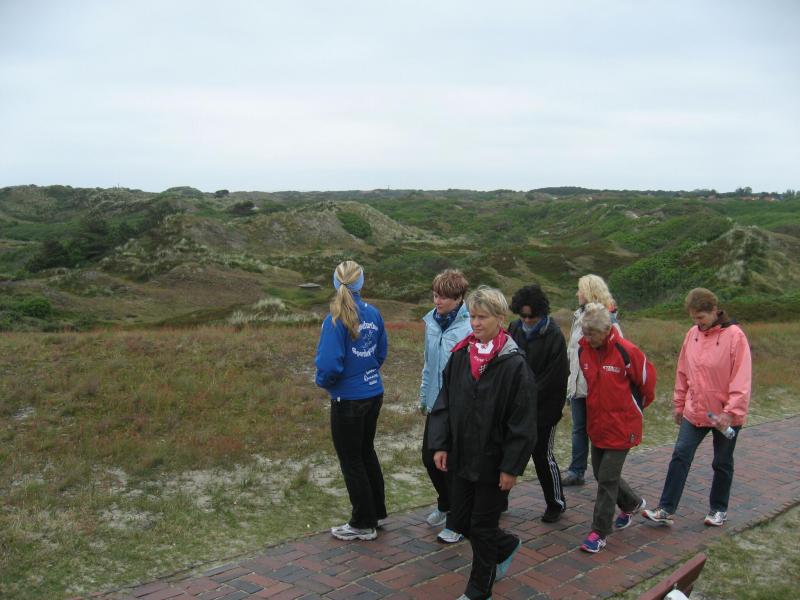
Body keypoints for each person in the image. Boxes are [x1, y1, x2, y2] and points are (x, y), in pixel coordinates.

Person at [429, 286, 537, 600]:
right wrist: (441, 444)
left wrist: (511, 467)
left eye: (483, 317)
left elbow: (523, 422)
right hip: (463, 456)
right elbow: (445, 402)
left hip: (493, 461)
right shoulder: (461, 355)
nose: (475, 323)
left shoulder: (514, 365)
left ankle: (479, 590)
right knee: (460, 520)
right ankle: (506, 545)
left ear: (500, 319)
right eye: (473, 317)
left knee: (483, 527)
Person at [643, 288, 751, 528]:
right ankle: (665, 509)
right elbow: (683, 372)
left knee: (722, 462)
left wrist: (730, 412)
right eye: (693, 318)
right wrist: (679, 404)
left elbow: (741, 379)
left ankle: (718, 510)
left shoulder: (735, 336)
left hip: (725, 416)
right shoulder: (692, 334)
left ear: (714, 311)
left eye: (701, 318)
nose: (697, 323)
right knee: (680, 454)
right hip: (695, 411)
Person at [315, 260, 388, 541]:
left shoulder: (334, 320)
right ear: (361, 282)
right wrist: (366, 372)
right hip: (373, 393)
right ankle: (376, 512)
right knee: (366, 452)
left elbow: (329, 364)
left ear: (336, 282)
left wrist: (324, 382)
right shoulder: (374, 313)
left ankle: (363, 523)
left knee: (351, 460)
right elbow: (380, 352)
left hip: (347, 399)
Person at [578, 303, 656, 553]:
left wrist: (633, 411)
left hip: (622, 426)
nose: (587, 338)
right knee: (600, 473)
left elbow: (647, 384)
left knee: (607, 479)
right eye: (584, 332)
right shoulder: (583, 350)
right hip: (597, 425)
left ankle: (599, 532)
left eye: (592, 333)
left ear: (606, 330)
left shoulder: (627, 351)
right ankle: (632, 503)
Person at [508, 283, 569, 523]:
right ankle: (498, 500)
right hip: (517, 405)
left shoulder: (554, 336)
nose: (527, 321)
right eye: (522, 316)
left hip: (545, 408)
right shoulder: (514, 328)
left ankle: (556, 503)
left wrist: (526, 394)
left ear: (542, 313)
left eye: (531, 316)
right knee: (508, 452)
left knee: (542, 455)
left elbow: (554, 378)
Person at [419, 269, 471, 544]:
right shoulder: (431, 322)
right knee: (429, 458)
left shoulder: (469, 327)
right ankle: (446, 503)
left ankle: (457, 522)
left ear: (459, 297)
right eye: (435, 295)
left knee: (452, 464)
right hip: (436, 405)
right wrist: (424, 397)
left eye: (444, 297)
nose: (437, 301)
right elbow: (428, 363)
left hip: (458, 407)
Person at [562, 274, 622, 486]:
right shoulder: (579, 315)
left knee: (600, 430)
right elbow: (573, 351)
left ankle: (606, 472)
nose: (577, 294)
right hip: (578, 384)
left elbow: (618, 352)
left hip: (597, 386)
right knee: (579, 428)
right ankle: (576, 470)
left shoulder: (607, 319)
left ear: (589, 292)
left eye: (580, 290)